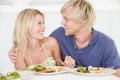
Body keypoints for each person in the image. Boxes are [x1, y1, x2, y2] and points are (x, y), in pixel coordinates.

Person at [50, 0, 120, 69]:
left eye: (66, 19)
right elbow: (42, 48)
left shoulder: (106, 44)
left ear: (81, 20)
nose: (62, 23)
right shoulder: (58, 35)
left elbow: (116, 73)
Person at [8, 8, 75, 70]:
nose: (44, 27)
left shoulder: (52, 43)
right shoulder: (18, 52)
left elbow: (60, 68)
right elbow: (23, 77)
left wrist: (66, 67)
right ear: (25, 25)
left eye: (43, 23)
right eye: (39, 23)